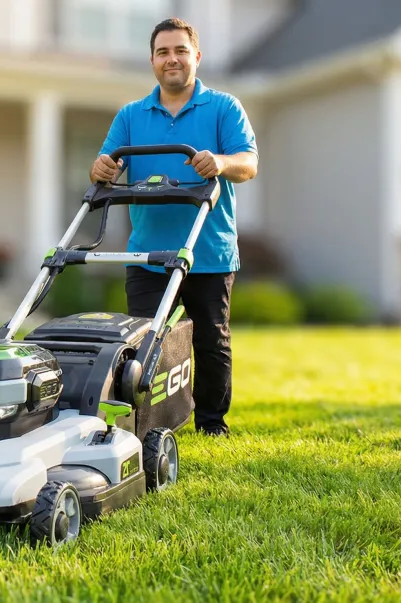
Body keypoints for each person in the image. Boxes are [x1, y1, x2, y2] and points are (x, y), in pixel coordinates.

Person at [90, 17, 259, 437]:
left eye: (181, 51)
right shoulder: (131, 116)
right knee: (144, 343)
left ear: (196, 57)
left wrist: (220, 162)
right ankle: (143, 425)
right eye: (163, 52)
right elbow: (105, 167)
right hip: (148, 252)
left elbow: (249, 163)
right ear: (152, 61)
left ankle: (211, 423)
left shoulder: (223, 108)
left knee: (211, 342)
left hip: (208, 250)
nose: (172, 59)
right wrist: (102, 168)